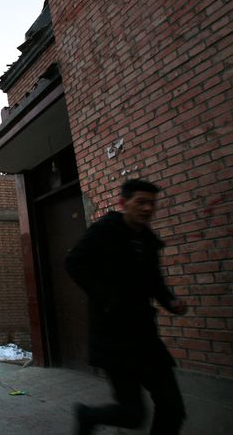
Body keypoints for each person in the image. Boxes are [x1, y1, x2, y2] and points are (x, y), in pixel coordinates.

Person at [65, 179, 187, 435]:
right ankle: (87, 415)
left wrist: (169, 301)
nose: (147, 209)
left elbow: (154, 281)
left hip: (145, 336)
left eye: (151, 204)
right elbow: (73, 262)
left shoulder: (146, 241)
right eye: (140, 202)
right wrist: (107, 300)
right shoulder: (105, 230)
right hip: (113, 338)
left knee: (173, 408)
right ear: (123, 203)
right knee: (132, 415)